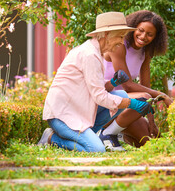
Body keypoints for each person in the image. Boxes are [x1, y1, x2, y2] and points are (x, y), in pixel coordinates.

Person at [37, 11, 155, 152]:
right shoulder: (90, 55)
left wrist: (113, 82)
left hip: (78, 111)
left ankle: (88, 136)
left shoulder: (96, 52)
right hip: (62, 116)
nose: (121, 41)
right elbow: (100, 97)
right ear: (106, 35)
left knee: (122, 95)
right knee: (97, 150)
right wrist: (132, 103)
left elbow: (96, 87)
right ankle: (51, 138)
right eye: (120, 36)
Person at [99, 10, 173, 149]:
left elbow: (146, 87)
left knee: (152, 141)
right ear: (133, 27)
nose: (143, 36)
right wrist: (162, 95)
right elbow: (127, 85)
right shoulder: (119, 45)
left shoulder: (145, 53)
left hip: (125, 107)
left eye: (150, 34)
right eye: (140, 30)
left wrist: (151, 122)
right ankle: (107, 133)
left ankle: (118, 132)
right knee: (143, 97)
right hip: (103, 101)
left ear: (156, 37)